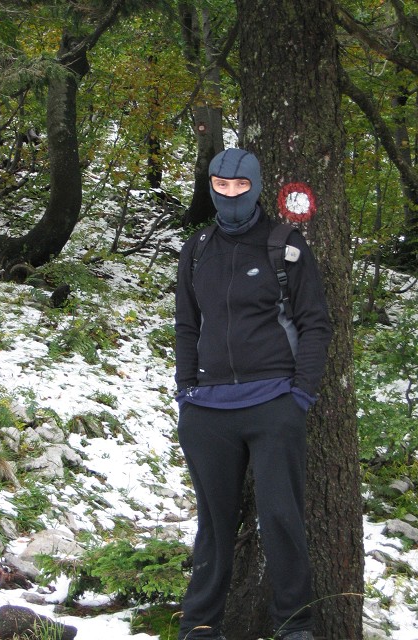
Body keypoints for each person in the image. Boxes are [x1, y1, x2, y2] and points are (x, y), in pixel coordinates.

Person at [174, 148, 332, 640]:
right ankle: (200, 627)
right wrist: (186, 395)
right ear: (210, 187)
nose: (230, 195)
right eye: (220, 186)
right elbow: (186, 326)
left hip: (273, 406)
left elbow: (316, 323)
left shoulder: (285, 246)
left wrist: (299, 396)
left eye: (240, 186)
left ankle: (294, 626)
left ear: (256, 186)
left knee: (281, 519)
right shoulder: (197, 249)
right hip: (208, 412)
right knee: (214, 526)